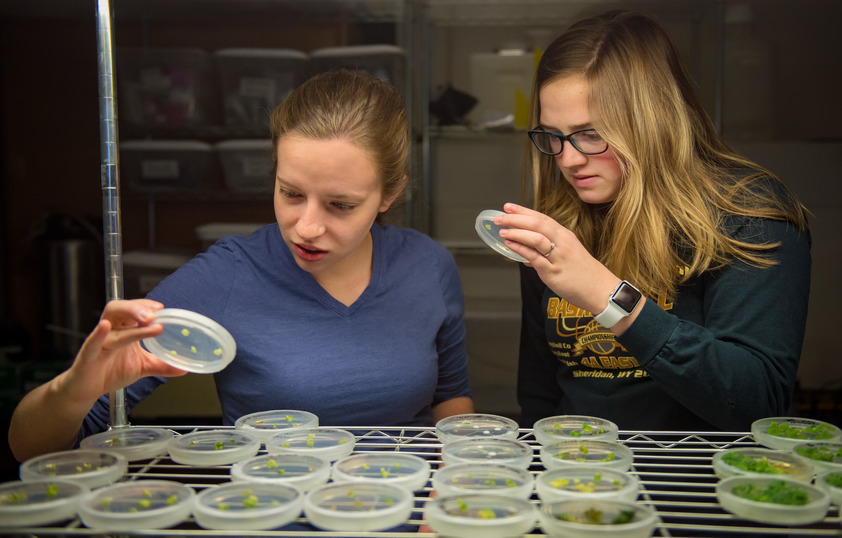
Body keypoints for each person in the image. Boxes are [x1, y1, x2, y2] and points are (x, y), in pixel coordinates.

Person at [9, 69, 474, 462]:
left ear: (389, 195)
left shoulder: (427, 266)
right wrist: (73, 388)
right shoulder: (226, 276)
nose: (306, 227)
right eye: (291, 193)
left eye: (340, 205)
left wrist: (452, 491)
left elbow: (450, 399)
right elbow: (31, 448)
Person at [494, 10, 810, 432]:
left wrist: (608, 295)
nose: (568, 159)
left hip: (692, 483)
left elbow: (757, 400)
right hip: (575, 478)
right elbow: (540, 394)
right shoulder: (563, 220)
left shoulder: (747, 214)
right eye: (552, 135)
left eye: (590, 133)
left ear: (651, 121)